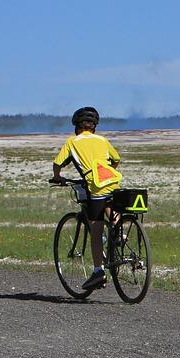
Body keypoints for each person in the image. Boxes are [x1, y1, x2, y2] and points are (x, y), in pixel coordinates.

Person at [51, 106, 121, 290]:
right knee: (110, 203)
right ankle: (119, 232)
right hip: (112, 181)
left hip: (94, 186)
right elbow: (116, 159)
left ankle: (98, 272)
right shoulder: (103, 140)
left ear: (77, 126)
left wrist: (57, 177)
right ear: (94, 126)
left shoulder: (72, 142)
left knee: (96, 230)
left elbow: (57, 163)